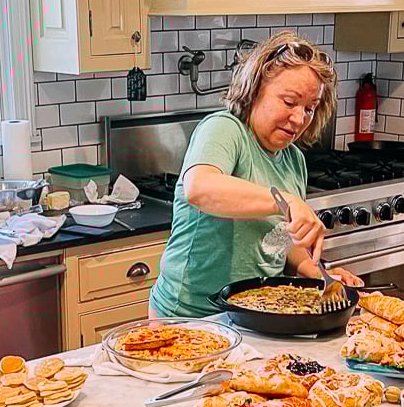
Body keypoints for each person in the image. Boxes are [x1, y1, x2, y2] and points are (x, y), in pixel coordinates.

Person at [149, 31, 362, 319]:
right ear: (256, 88)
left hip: (253, 313)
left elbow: (276, 240)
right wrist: (284, 200)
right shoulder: (225, 129)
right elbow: (199, 188)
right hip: (189, 316)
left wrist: (315, 271)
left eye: (309, 109)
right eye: (289, 102)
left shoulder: (293, 159)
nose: (300, 119)